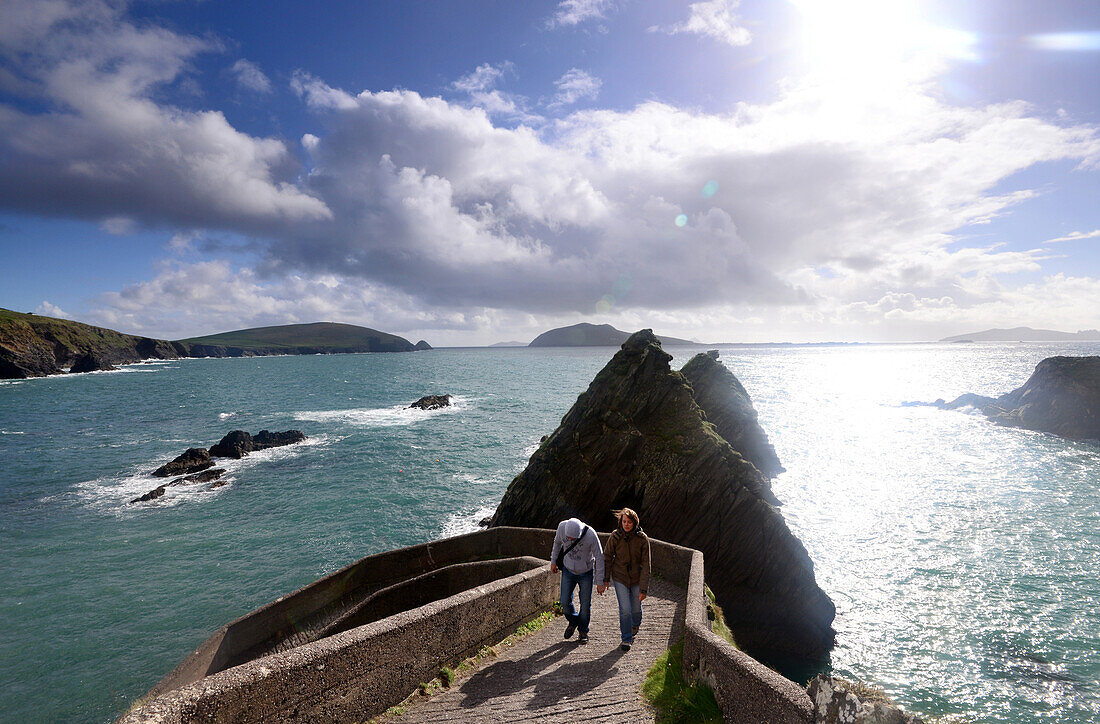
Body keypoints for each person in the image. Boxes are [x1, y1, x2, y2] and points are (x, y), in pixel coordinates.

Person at [549, 517, 604, 644]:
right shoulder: (562, 527)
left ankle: (583, 631)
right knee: (564, 601)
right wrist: (553, 561)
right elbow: (557, 543)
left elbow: (599, 557)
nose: (571, 540)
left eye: (574, 538)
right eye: (569, 538)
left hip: (586, 572)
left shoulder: (591, 535)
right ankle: (573, 621)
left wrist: (600, 581)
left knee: (585, 605)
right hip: (568, 569)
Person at [602, 508, 650, 651]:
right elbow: (607, 557)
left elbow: (647, 565)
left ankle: (636, 624)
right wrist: (605, 578)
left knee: (635, 610)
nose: (626, 524)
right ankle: (626, 639)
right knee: (625, 610)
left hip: (636, 578)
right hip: (620, 577)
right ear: (620, 522)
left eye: (629, 522)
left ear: (635, 523)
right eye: (624, 521)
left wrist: (644, 588)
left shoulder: (642, 539)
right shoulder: (615, 537)